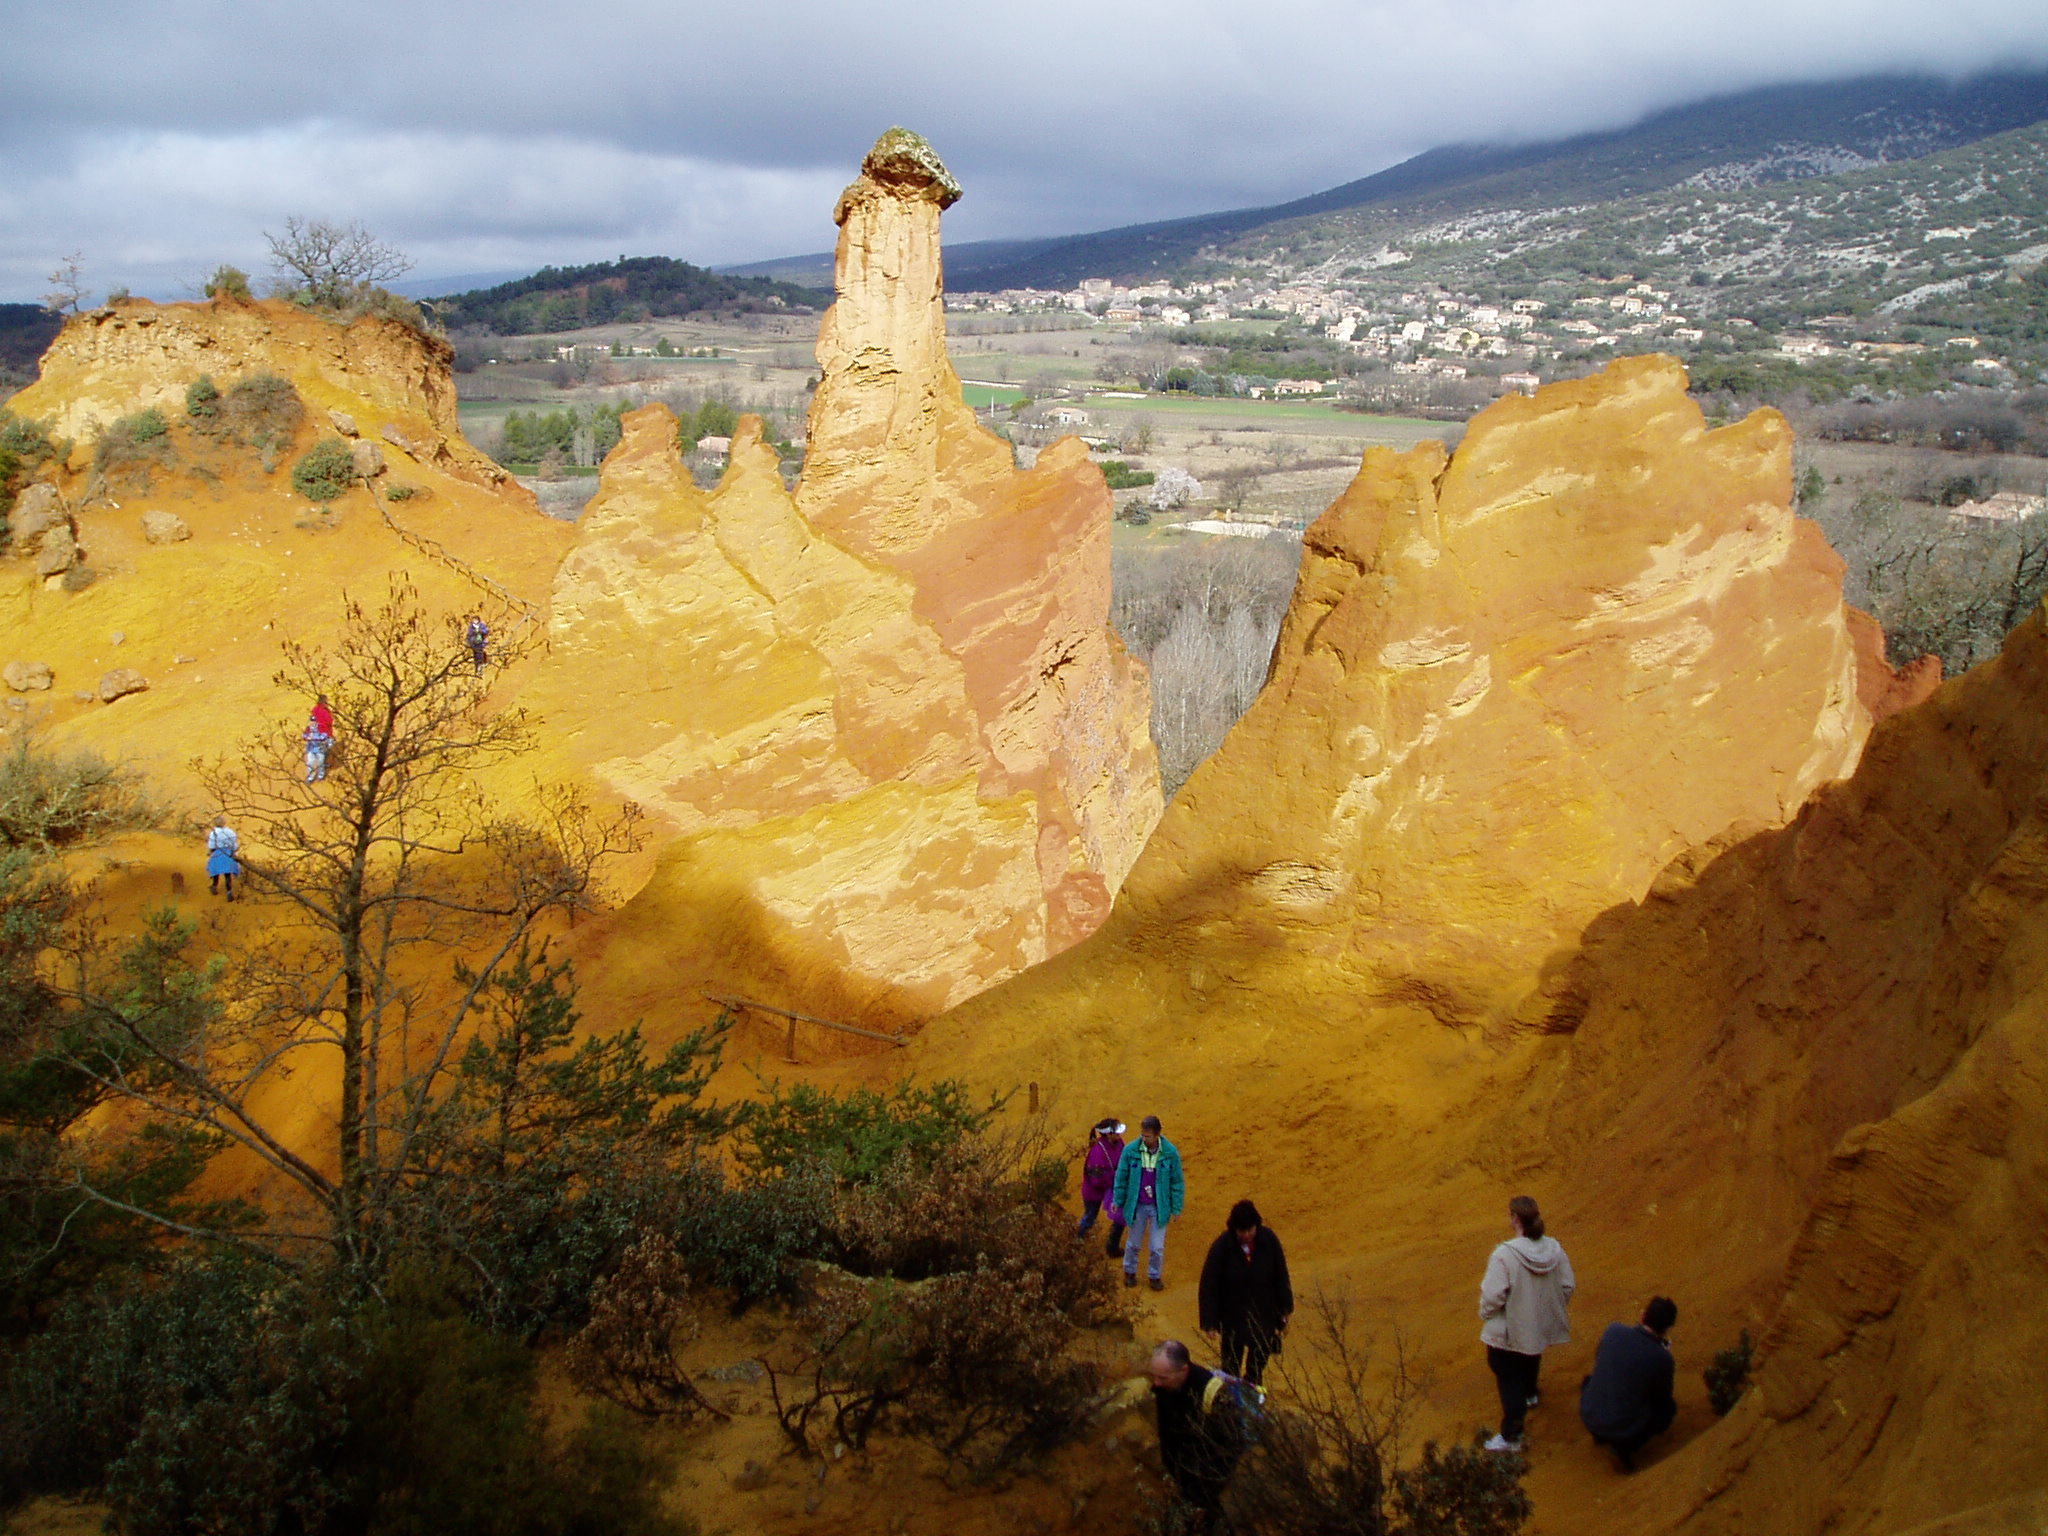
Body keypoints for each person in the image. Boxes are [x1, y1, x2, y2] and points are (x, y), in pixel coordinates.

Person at [1478, 1193, 1575, 1453]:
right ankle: (1531, 1394)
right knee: (1531, 1355)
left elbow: (1492, 1297)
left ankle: (1512, 1436)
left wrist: (1488, 1314)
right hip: (1538, 1324)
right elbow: (1567, 1285)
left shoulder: (1504, 1256)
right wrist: (1545, 1310)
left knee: (1506, 1373)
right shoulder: (1555, 1249)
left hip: (1509, 1328)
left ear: (1515, 1219)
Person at [1148, 1339, 1252, 1532]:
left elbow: (1231, 1447)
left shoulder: (1215, 1395)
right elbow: (1166, 1434)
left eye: (1163, 1377)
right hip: (1183, 1470)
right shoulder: (1165, 1389)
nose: (1156, 1383)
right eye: (1155, 1376)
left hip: (1212, 1477)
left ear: (1184, 1371)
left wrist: (1202, 1492)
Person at [1198, 1199, 1293, 1385]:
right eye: (1243, 1231)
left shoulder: (1269, 1241)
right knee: (1230, 1368)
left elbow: (1281, 1274)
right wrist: (1209, 1322)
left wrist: (1285, 1307)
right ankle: (1232, 1402)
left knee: (1257, 1367)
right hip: (1233, 1317)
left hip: (1263, 1315)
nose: (1248, 1234)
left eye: (1251, 1229)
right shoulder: (1222, 1248)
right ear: (1234, 1229)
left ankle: (1253, 1393)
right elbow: (1209, 1284)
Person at [1579, 1297, 1679, 1472]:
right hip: (1622, 1428)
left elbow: (1600, 1360)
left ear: (1642, 1316)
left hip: (1589, 1414)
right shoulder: (1662, 1359)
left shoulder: (1613, 1330)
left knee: (1593, 1379)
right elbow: (1662, 1397)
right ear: (1667, 1329)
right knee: (1667, 1409)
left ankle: (1599, 1435)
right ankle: (1623, 1449)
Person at [1114, 1114, 1185, 1292]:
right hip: (1138, 1205)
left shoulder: (1170, 1153)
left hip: (1159, 1207)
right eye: (1143, 1135)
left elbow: (1177, 1182)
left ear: (1157, 1134)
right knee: (1134, 1243)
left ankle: (1154, 1276)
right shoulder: (1131, 1151)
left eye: (1148, 1136)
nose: (1144, 1139)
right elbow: (1121, 1177)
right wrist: (1118, 1200)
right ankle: (1129, 1272)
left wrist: (1176, 1208)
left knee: (1157, 1247)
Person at [1077, 1117, 1128, 1256]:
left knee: (1120, 1215)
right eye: (1117, 1133)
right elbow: (1096, 1180)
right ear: (1108, 1134)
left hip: (1112, 1187)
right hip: (1095, 1192)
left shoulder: (1119, 1144)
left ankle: (1112, 1246)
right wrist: (1115, 1178)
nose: (1120, 1135)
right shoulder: (1097, 1152)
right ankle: (1077, 1242)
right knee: (1090, 1216)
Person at [205, 815, 241, 902]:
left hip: (217, 854)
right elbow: (234, 845)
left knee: (215, 872)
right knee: (227, 875)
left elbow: (211, 845)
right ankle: (229, 892)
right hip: (228, 854)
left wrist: (210, 852)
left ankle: (214, 886)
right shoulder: (230, 832)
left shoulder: (214, 833)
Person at [302, 719, 330, 783]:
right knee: (310, 763)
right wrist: (308, 737)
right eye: (311, 721)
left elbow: (324, 736)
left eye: (314, 721)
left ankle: (321, 775)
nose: (312, 722)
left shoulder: (321, 727)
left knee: (320, 763)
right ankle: (310, 777)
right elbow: (304, 736)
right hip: (311, 749)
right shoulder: (308, 728)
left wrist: (314, 737)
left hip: (320, 749)